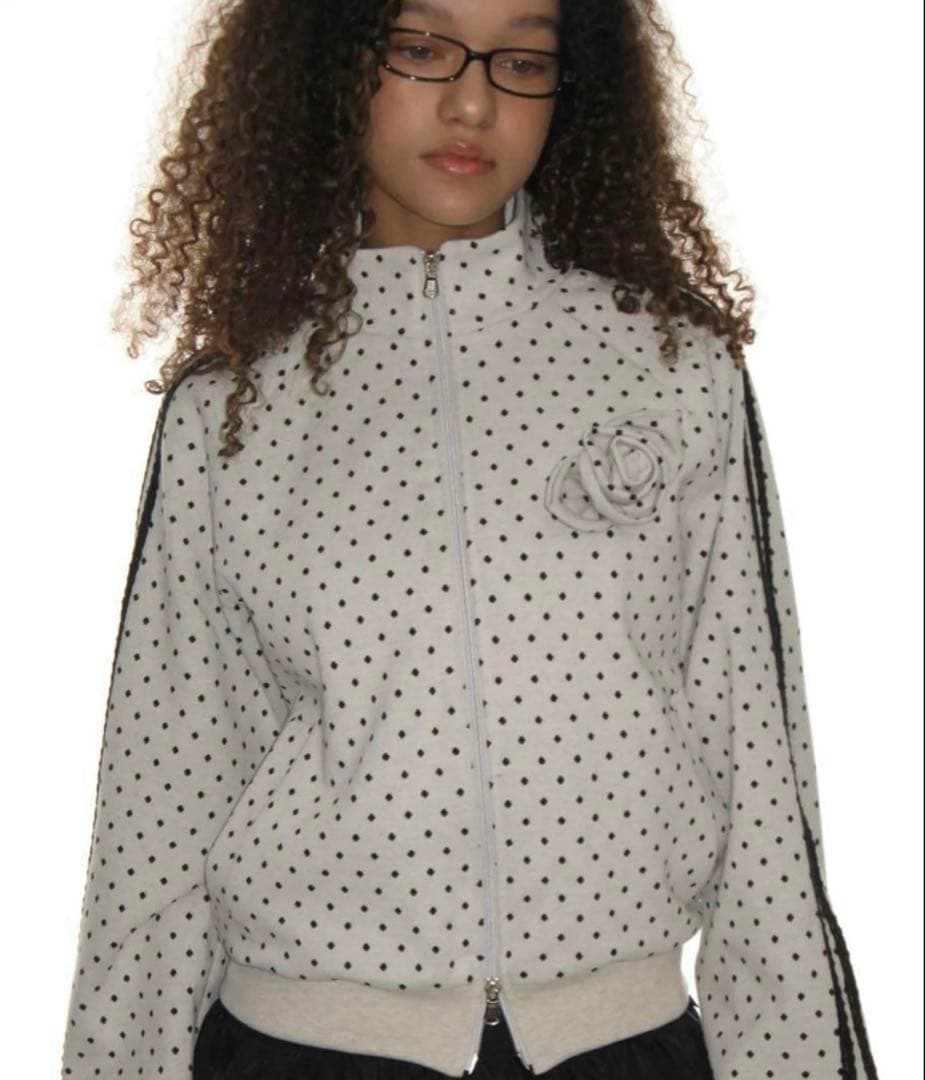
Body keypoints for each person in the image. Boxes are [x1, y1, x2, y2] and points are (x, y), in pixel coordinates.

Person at [59, 1, 880, 1078]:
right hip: (305, 1048)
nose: (473, 102)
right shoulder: (232, 412)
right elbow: (160, 800)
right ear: (331, 63)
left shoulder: (671, 368)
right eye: (419, 47)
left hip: (616, 1046)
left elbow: (760, 765)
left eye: (523, 61)